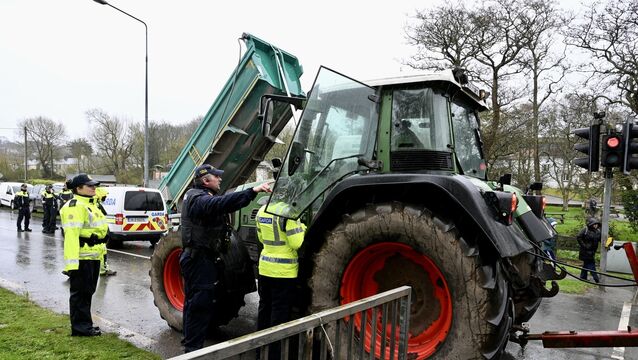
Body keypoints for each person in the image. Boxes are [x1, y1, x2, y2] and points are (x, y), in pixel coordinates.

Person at [180, 164, 272, 353]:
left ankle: (190, 343)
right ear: (206, 181)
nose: (220, 179)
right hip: (199, 261)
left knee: (194, 304)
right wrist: (252, 191)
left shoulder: (198, 195)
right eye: (217, 177)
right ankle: (192, 352)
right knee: (199, 305)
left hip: (201, 259)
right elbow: (219, 204)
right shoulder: (198, 199)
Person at [255, 201, 306, 357]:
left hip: (265, 269)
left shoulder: (262, 211)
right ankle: (274, 355)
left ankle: (259, 352)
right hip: (284, 273)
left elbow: (262, 239)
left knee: (264, 310)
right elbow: (296, 243)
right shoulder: (289, 213)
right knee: (279, 314)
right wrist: (302, 228)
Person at [60, 173, 108, 336]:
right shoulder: (75, 206)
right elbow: (71, 237)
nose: (94, 188)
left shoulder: (89, 202)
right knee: (80, 295)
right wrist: (72, 265)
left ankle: (85, 324)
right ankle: (80, 328)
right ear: (78, 189)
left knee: (87, 293)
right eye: (90, 186)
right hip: (82, 258)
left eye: (94, 185)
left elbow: (100, 192)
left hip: (93, 257)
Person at [95, 186, 116, 276]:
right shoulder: (94, 205)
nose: (105, 198)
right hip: (95, 235)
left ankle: (104, 270)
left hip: (100, 235)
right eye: (104, 196)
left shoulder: (97, 204)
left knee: (103, 253)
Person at [577, 217, 601, 283]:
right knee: (591, 264)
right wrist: (584, 246)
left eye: (597, 224)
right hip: (585, 251)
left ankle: (583, 277)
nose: (596, 225)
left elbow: (600, 239)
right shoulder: (585, 230)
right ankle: (596, 278)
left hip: (592, 251)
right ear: (591, 224)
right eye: (594, 224)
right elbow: (578, 237)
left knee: (586, 264)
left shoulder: (598, 231)